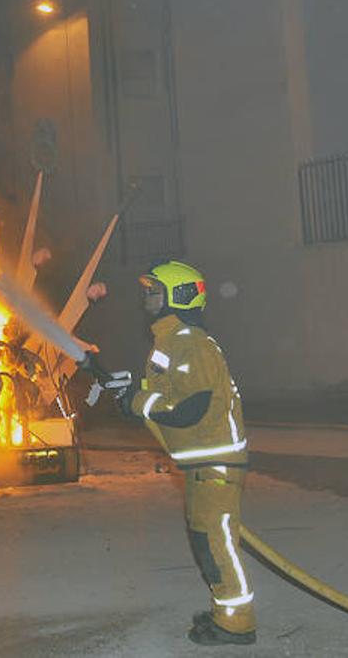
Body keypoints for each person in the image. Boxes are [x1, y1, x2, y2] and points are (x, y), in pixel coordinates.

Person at [112, 260, 255, 646]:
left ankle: (237, 623)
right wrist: (133, 396)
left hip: (215, 462)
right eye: (146, 292)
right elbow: (170, 396)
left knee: (216, 545)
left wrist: (139, 401)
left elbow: (190, 406)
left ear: (181, 296)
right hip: (199, 463)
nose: (147, 300)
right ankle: (225, 612)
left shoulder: (190, 341)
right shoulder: (171, 341)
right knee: (205, 543)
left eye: (154, 292)